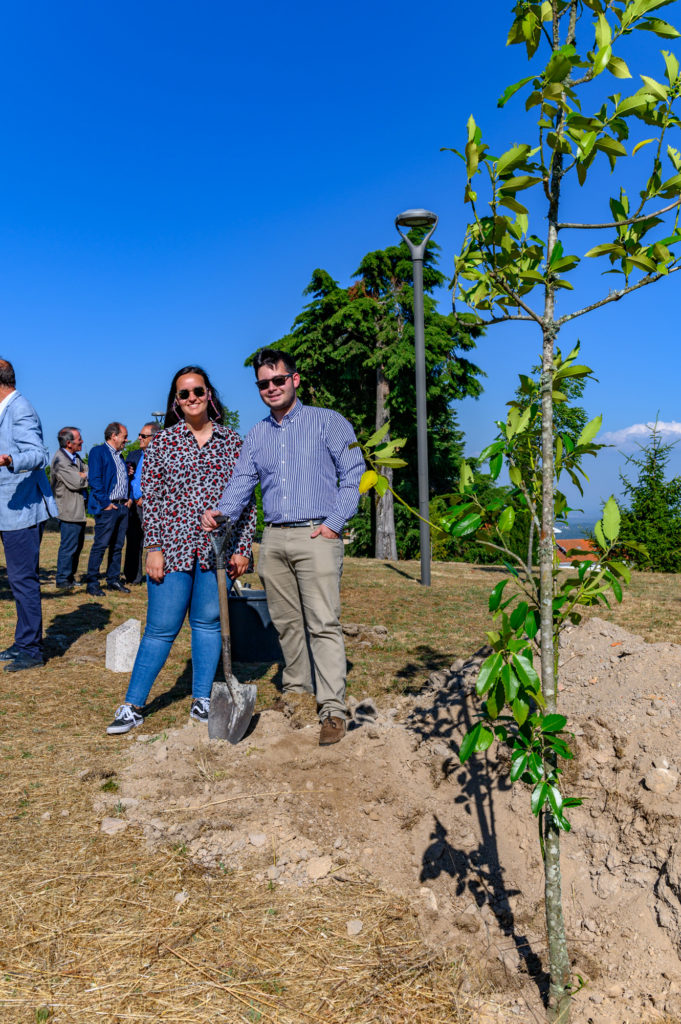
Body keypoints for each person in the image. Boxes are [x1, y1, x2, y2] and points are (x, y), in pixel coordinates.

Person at [202, 348, 364, 746]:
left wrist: (333, 525)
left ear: (295, 379)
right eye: (263, 383)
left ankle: (332, 709)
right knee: (287, 623)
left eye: (278, 380)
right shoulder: (257, 434)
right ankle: (296, 692)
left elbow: (355, 473)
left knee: (322, 623)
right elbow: (242, 482)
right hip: (273, 537)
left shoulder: (329, 422)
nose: (271, 388)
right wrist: (220, 513)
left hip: (317, 534)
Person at [106, 365, 257, 735]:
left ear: (210, 394)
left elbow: (247, 501)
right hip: (170, 546)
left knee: (206, 623)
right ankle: (132, 705)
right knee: (161, 627)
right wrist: (153, 547)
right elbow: (150, 501)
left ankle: (202, 698)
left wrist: (243, 548)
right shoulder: (161, 443)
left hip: (215, 548)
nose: (192, 398)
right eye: (184, 394)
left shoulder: (233, 442)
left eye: (198, 391)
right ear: (176, 401)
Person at [0, 358, 58, 671]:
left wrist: (10, 459)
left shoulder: (19, 408)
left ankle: (32, 651)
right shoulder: (5, 410)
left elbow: (38, 455)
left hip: (22, 509)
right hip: (7, 510)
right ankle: (23, 640)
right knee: (17, 578)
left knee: (23, 580)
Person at [85, 422, 132, 597]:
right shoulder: (99, 452)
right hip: (108, 507)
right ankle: (92, 582)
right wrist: (105, 503)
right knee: (101, 545)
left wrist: (127, 499)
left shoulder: (120, 456)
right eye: (124, 436)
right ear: (114, 435)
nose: (126, 440)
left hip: (121, 506)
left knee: (117, 546)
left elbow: (118, 479)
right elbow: (95, 480)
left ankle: (113, 579)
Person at [123, 422, 163, 585]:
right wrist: (133, 498)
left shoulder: (164, 456)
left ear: (155, 438)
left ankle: (155, 574)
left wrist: (149, 498)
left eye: (143, 436)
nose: (139, 438)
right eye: (140, 435)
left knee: (155, 541)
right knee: (133, 541)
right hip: (134, 506)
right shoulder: (133, 455)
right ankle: (133, 577)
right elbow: (127, 480)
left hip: (155, 506)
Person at [50, 427, 88, 591]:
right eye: (79, 439)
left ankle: (70, 577)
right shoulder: (61, 461)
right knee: (69, 547)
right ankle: (63, 579)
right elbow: (76, 483)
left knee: (77, 546)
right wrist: (83, 476)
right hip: (68, 511)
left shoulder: (75, 457)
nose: (82, 441)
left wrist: (83, 474)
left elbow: (87, 472)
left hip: (77, 511)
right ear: (68, 443)